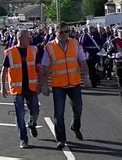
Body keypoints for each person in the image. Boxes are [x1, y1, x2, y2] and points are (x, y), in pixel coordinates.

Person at [41, 22, 91, 150]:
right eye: (61, 32)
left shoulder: (75, 43)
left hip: (74, 83)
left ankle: (75, 126)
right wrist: (45, 85)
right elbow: (45, 68)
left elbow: (83, 61)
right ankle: (61, 139)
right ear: (55, 33)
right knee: (59, 114)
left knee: (78, 109)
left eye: (66, 31)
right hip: (58, 85)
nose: (64, 35)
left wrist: (86, 77)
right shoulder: (49, 47)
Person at [0, 29, 43, 148]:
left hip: (31, 87)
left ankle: (32, 124)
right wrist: (3, 87)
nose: (30, 39)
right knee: (19, 115)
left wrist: (41, 83)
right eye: (28, 38)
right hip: (17, 89)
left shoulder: (34, 50)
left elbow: (39, 67)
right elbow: (4, 71)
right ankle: (23, 139)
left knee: (35, 110)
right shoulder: (10, 52)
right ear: (21, 38)